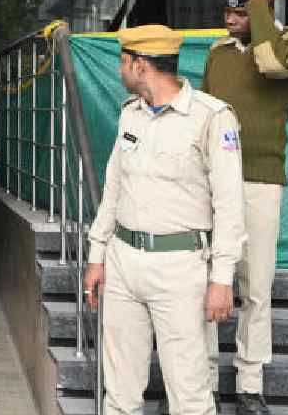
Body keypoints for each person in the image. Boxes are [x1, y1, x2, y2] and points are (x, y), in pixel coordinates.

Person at [82, 25, 246, 415]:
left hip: (181, 267)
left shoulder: (212, 117)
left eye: (124, 62)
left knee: (189, 393)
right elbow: (114, 187)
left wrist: (222, 278)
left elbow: (230, 205)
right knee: (119, 393)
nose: (120, 71)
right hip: (123, 262)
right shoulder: (130, 116)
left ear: (141, 66)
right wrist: (97, 252)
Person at [198, 0, 288, 415]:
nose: (230, 19)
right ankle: (205, 382)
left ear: (264, 7)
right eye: (227, 11)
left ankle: (249, 385)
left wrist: (260, 8)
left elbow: (270, 65)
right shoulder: (218, 54)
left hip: (260, 184)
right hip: (214, 184)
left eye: (241, 12)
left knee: (256, 289)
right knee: (209, 283)